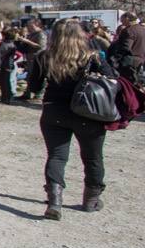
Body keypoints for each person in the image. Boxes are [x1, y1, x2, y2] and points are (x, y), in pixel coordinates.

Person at [26, 19, 117, 219]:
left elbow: (33, 87)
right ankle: (91, 200)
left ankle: (55, 202)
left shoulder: (44, 57)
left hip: (54, 112)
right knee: (93, 157)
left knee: (57, 156)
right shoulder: (93, 57)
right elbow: (112, 80)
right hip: (88, 112)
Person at [0, 26, 21, 104]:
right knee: (6, 82)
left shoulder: (4, 45)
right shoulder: (12, 44)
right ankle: (6, 97)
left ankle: (6, 98)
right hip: (9, 65)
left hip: (4, 65)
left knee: (5, 83)